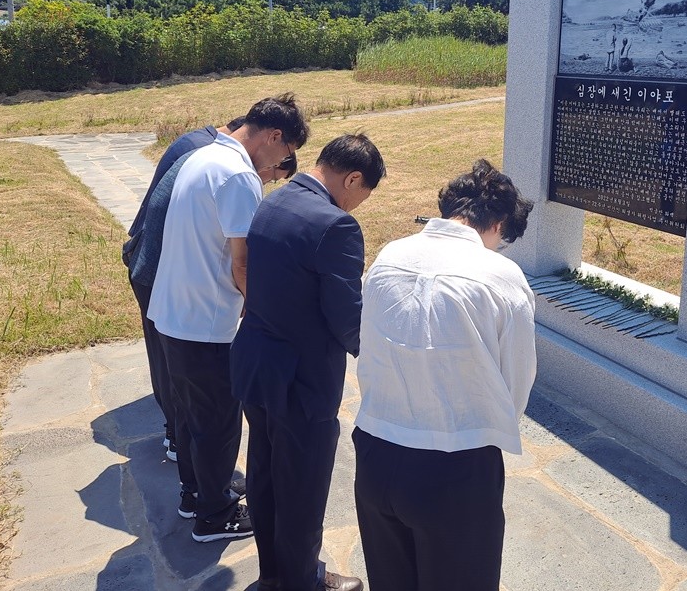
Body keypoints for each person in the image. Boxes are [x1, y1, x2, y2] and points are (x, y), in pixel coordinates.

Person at [352, 159, 536, 591]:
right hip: (457, 463)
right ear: (499, 223)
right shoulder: (500, 275)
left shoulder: (390, 253)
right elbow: (516, 383)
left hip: (375, 448)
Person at [148, 94, 309, 543]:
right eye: (286, 154)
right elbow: (243, 264)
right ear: (275, 137)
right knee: (218, 423)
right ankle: (215, 515)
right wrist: (266, 315)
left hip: (172, 310)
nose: (283, 163)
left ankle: (194, 493)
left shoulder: (204, 156)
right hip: (204, 321)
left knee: (188, 417)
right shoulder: (239, 174)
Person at [232, 134, 385, 591]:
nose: (357, 206)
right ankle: (301, 582)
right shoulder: (335, 225)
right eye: (362, 194)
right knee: (301, 486)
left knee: (264, 475)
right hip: (300, 378)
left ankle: (273, 575)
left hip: (257, 363)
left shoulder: (273, 202)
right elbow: (346, 317)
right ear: (352, 178)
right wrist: (381, 358)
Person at [123, 116, 244, 463]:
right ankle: (180, 444)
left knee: (170, 364)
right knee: (183, 375)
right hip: (155, 267)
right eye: (272, 175)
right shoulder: (215, 160)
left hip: (151, 261)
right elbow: (237, 257)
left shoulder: (200, 146)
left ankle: (178, 441)